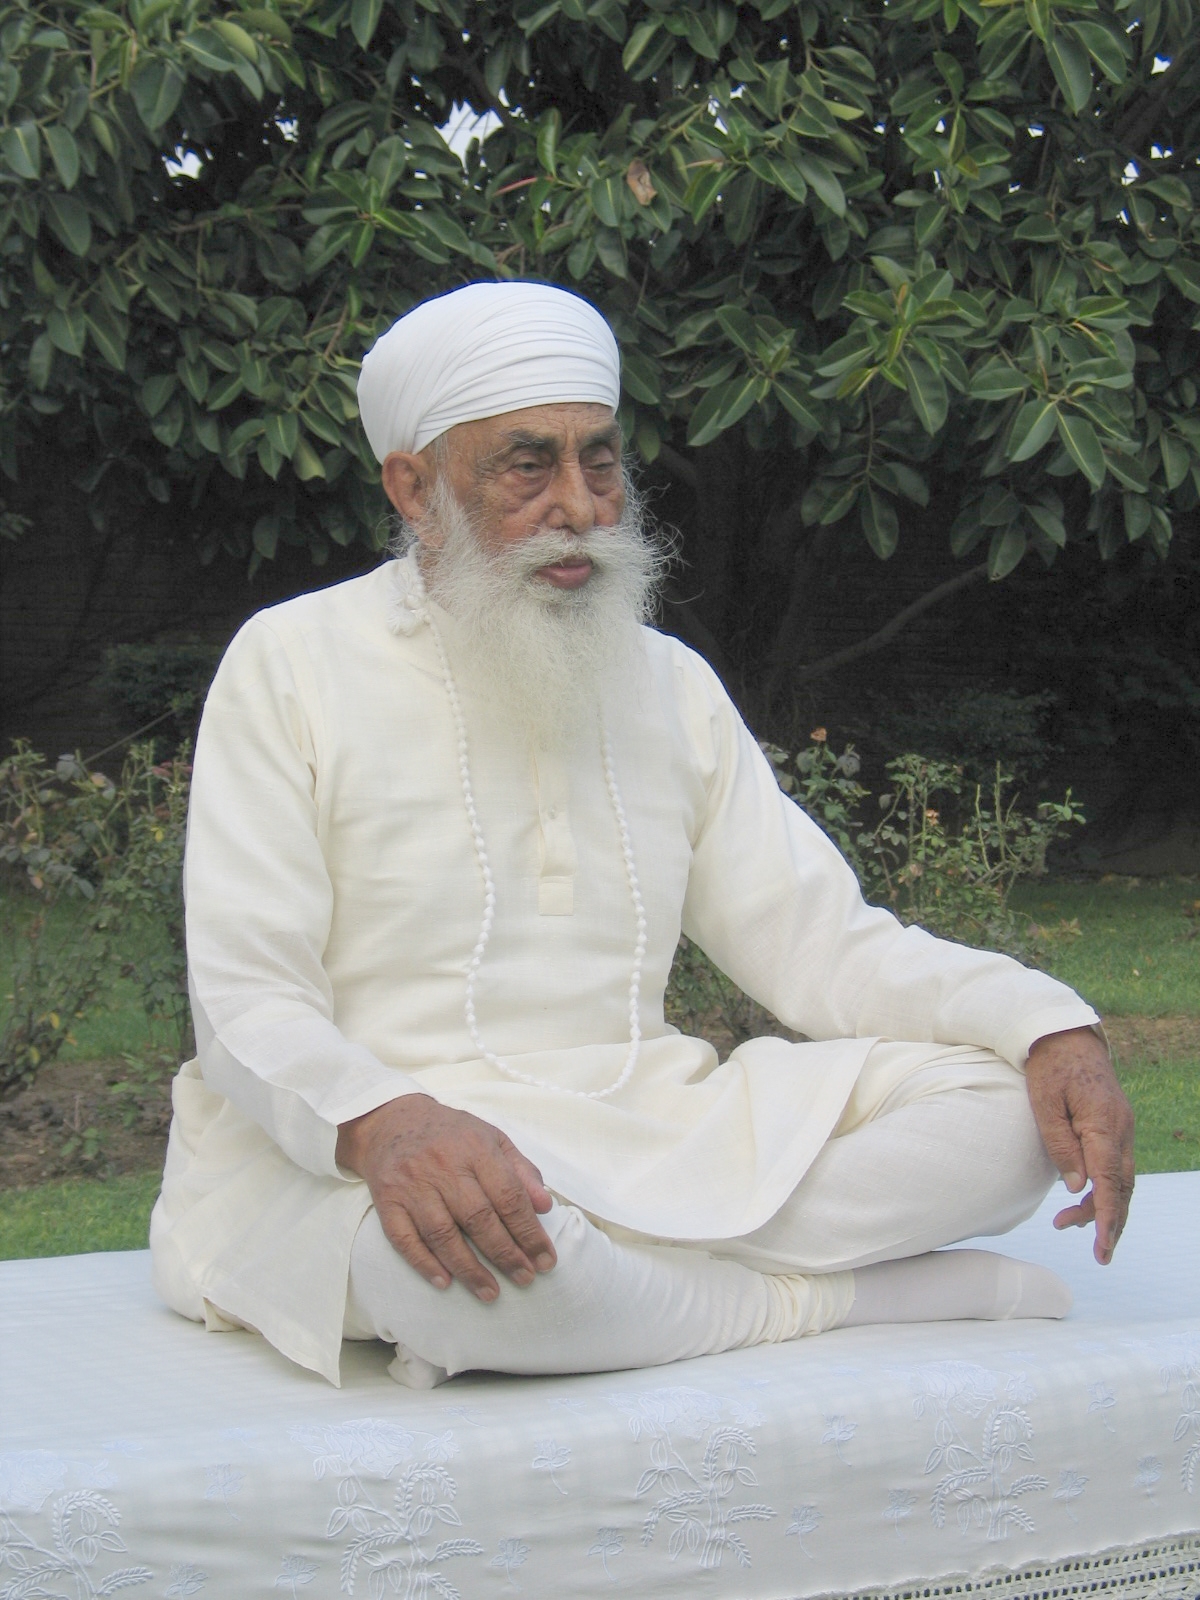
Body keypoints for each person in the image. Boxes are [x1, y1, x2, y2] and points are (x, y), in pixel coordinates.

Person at [150, 281, 1134, 1390]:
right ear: (414, 487)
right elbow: (247, 1002)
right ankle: (837, 1298)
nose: (580, 506)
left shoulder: (671, 682)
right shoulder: (291, 663)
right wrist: (382, 1122)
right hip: (391, 1147)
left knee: (1009, 1119)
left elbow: (823, 944)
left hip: (650, 1122)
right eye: (528, 466)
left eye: (601, 461)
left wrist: (1045, 1024)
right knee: (458, 1268)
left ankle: (647, 1292)